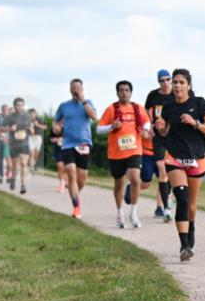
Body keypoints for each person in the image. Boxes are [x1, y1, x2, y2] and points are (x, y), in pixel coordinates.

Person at [153, 69, 205, 261]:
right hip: (174, 158)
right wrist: (162, 130)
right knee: (181, 197)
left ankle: (191, 227)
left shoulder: (199, 103)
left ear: (188, 85)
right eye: (175, 82)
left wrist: (195, 123)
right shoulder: (168, 107)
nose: (177, 85)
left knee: (191, 204)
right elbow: (164, 133)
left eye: (181, 82)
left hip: (196, 159)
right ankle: (184, 245)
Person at [97, 81, 151, 228]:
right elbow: (99, 129)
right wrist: (111, 126)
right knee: (119, 183)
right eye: (121, 90)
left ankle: (133, 212)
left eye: (127, 90)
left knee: (135, 179)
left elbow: (146, 122)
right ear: (117, 93)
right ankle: (120, 212)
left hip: (134, 150)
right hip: (116, 153)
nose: (124, 93)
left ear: (131, 92)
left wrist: (146, 130)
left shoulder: (137, 107)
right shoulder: (111, 109)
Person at [53, 78, 98, 218]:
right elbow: (56, 121)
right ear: (69, 89)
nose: (75, 89)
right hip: (68, 144)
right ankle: (76, 207)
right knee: (71, 174)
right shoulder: (64, 106)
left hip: (84, 144)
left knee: (81, 178)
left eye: (78, 87)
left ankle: (75, 193)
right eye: (73, 87)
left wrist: (83, 100)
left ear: (82, 89)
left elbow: (94, 117)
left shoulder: (88, 103)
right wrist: (55, 127)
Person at [144, 69, 176, 222]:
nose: (165, 82)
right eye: (161, 80)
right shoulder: (153, 95)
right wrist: (149, 124)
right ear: (158, 82)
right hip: (158, 137)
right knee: (162, 169)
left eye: (167, 79)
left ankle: (168, 198)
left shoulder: (175, 93)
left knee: (172, 170)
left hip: (174, 136)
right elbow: (146, 110)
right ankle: (166, 208)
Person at [7, 97, 34, 194]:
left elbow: (31, 128)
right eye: (18, 105)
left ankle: (23, 185)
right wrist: (10, 129)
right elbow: (1, 129)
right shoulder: (10, 117)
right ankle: (13, 179)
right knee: (15, 166)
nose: (20, 107)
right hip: (14, 145)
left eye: (22, 105)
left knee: (23, 164)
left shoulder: (27, 116)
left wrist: (31, 130)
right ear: (14, 106)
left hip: (24, 144)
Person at [49, 120, 67, 193]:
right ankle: (62, 183)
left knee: (66, 168)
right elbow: (50, 139)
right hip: (58, 150)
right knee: (60, 167)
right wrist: (54, 139)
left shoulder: (67, 128)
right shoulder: (53, 130)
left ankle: (65, 181)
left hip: (67, 150)